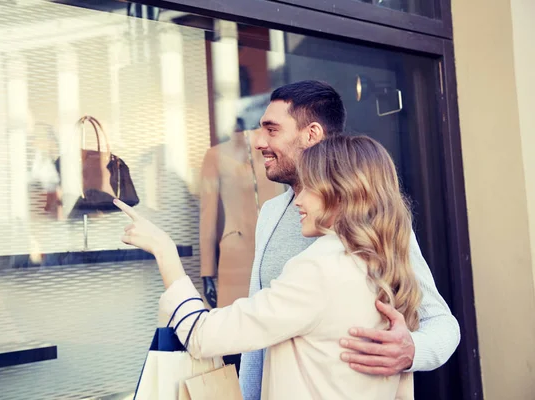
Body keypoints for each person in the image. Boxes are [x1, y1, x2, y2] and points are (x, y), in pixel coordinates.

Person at [114, 135, 422, 399]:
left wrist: (164, 250)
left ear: (341, 194)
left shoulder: (318, 270)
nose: (297, 200)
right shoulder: (387, 265)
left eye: (308, 187)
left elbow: (203, 336)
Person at [237, 80, 460, 400]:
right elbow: (258, 336)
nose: (259, 142)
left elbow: (441, 323)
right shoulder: (271, 213)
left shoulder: (372, 215)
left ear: (311, 134)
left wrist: (413, 350)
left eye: (272, 130)